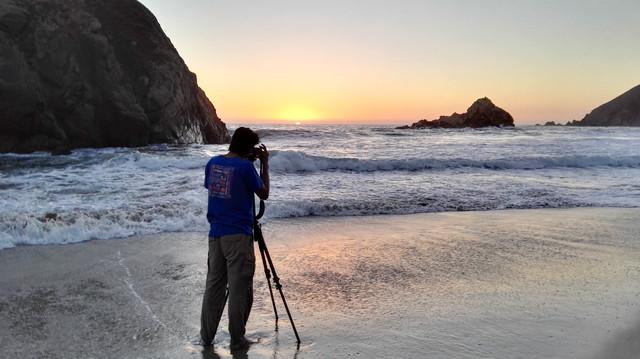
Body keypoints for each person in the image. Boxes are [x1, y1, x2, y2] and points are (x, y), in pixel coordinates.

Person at [200, 127, 269, 350]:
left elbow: (214, 188)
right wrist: (264, 164)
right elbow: (264, 193)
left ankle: (207, 336)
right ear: (247, 147)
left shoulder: (213, 163)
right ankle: (237, 339)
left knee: (214, 287)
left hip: (215, 235)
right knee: (240, 289)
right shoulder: (246, 167)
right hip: (238, 235)